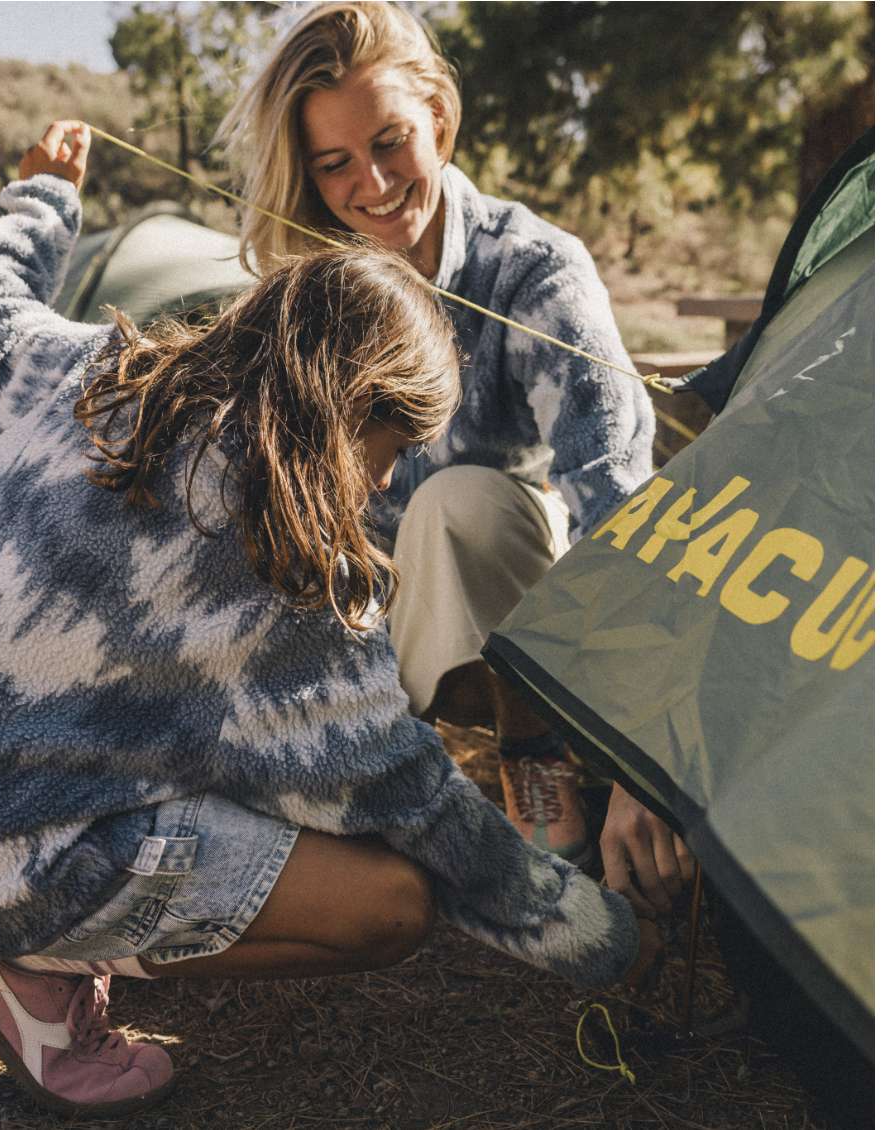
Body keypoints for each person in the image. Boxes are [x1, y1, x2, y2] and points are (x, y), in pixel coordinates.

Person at [0, 129, 646, 1116]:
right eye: (391, 443)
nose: (389, 479)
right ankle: (31, 965)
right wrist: (599, 931)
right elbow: (408, 794)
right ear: (344, 407)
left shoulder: (68, 363)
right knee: (387, 902)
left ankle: (17, 916)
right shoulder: (277, 564)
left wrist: (44, 195)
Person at [223, 2, 673, 893]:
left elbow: (617, 501)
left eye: (391, 141)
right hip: (363, 608)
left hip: (512, 610)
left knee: (456, 501)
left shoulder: (535, 272)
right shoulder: (311, 297)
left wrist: (644, 756)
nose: (374, 183)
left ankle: (533, 741)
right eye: (335, 164)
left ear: (438, 114)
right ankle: (376, 762)